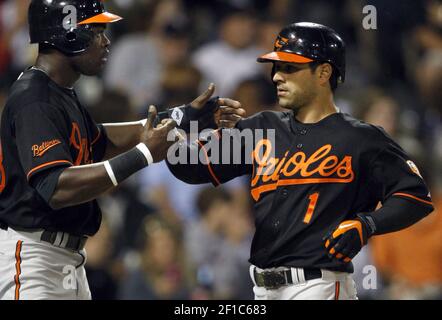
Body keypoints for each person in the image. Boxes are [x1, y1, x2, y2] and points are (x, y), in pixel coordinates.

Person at [166, 22, 435, 300]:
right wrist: (188, 124)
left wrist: (367, 225)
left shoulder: (361, 139)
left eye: (290, 68)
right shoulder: (262, 129)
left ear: (323, 72)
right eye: (277, 68)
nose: (277, 77)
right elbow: (188, 166)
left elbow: (415, 197)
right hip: (263, 288)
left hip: (318, 284)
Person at [0, 0, 244, 300]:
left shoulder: (58, 91)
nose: (105, 41)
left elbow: (100, 140)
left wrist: (183, 117)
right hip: (34, 255)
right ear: (68, 34)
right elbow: (56, 187)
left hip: (64, 258)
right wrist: (144, 154)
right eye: (96, 30)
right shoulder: (34, 99)